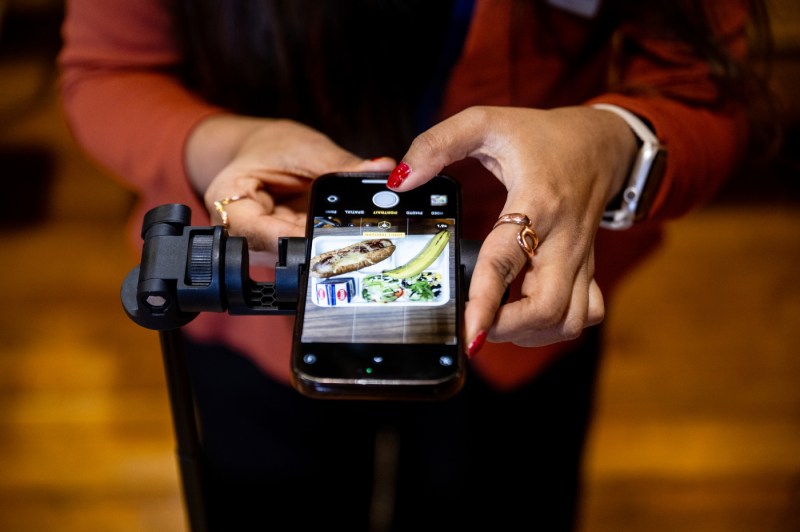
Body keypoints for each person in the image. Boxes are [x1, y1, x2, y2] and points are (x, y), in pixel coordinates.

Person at [58, 0, 774, 530]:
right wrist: (225, 143)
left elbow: (707, 88)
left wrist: (610, 140)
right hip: (258, 321)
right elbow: (108, 67)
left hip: (519, 313)